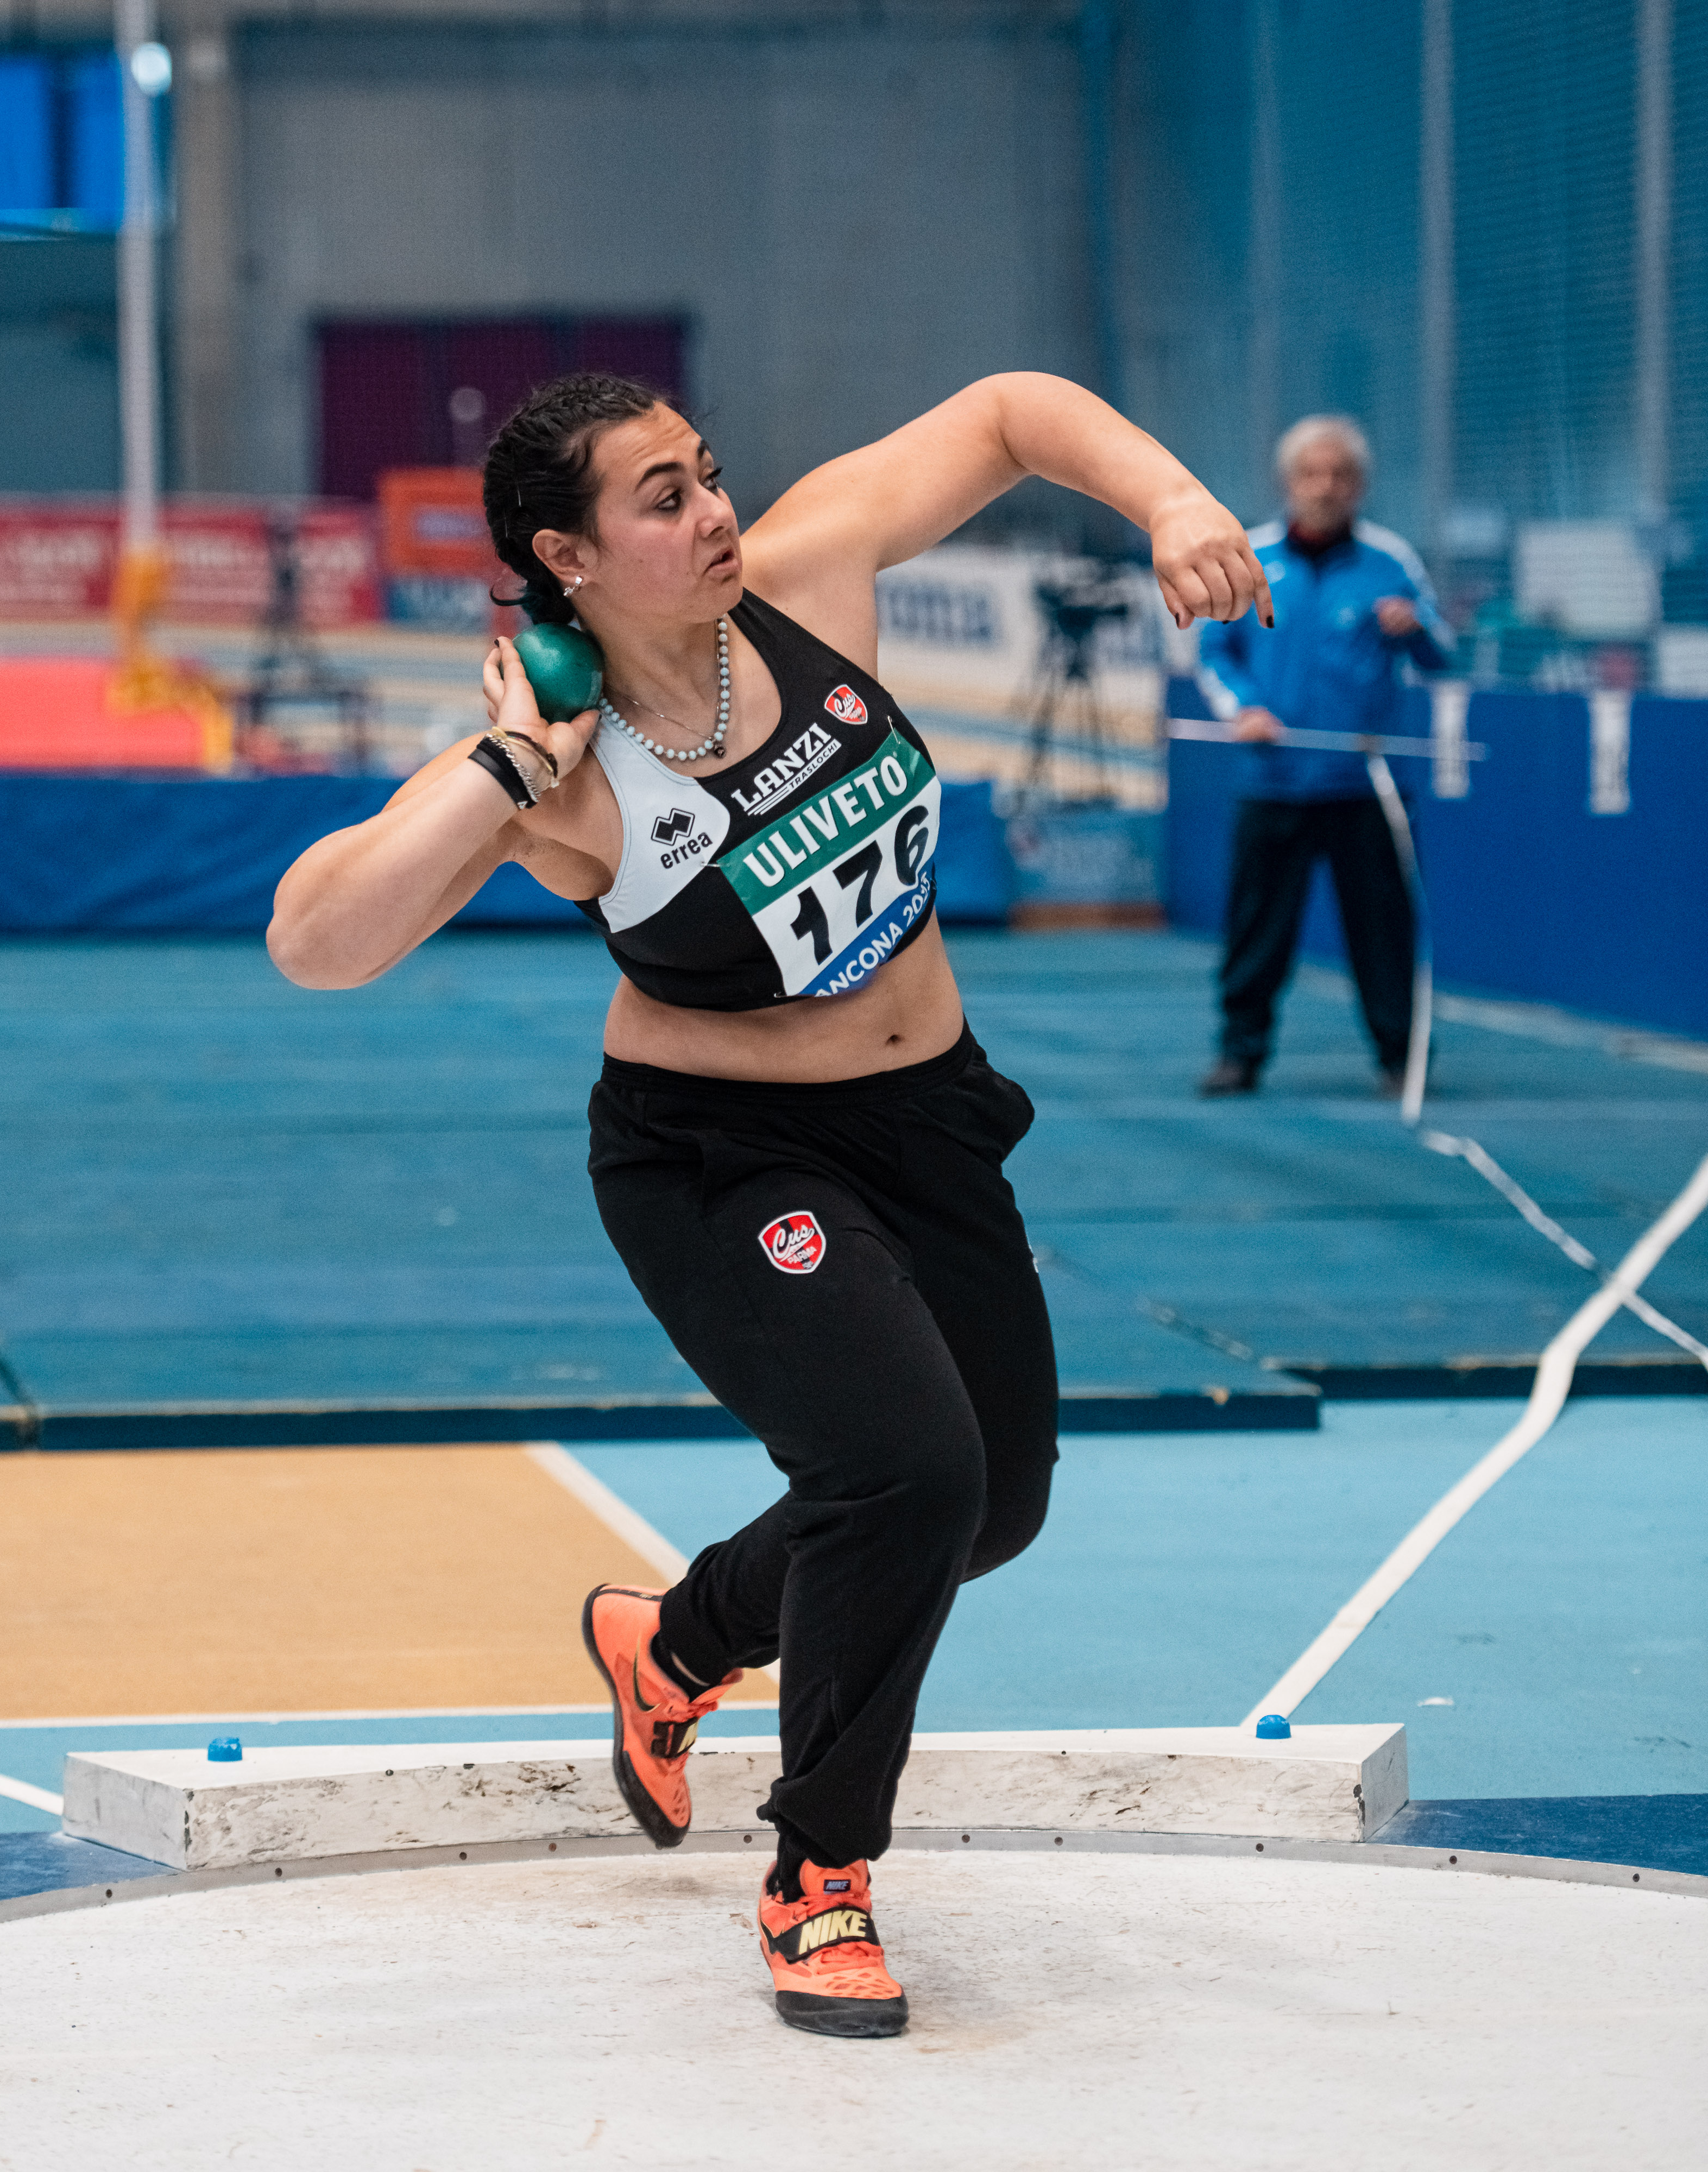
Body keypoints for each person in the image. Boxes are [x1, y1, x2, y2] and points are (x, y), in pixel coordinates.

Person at [267, 370, 1270, 2038]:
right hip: (723, 1157)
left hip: (928, 1116)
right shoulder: (571, 778)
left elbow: (1010, 413)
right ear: (566, 557)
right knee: (907, 1473)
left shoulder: (806, 581)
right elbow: (316, 940)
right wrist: (503, 762)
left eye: (708, 474)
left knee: (989, 1507)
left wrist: (1170, 501)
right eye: (662, 499)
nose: (715, 513)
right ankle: (820, 1873)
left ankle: (674, 1642)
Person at [1194, 415, 1454, 1096]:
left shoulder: (1392, 562)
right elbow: (1214, 653)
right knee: (1256, 928)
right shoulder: (1247, 557)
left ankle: (1401, 1057)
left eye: (1340, 474)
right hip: (1272, 781)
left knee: (1383, 930)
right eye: (1311, 473)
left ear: (1359, 485)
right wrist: (1244, 710)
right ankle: (1239, 1052)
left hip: (1366, 785)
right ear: (1288, 481)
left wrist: (1414, 629)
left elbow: (1441, 653)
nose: (1325, 486)